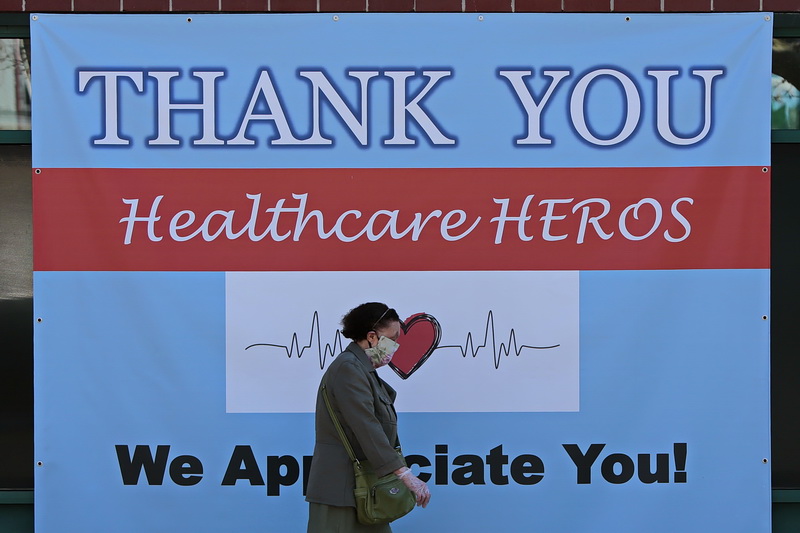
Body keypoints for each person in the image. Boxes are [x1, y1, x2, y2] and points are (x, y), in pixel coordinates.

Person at [306, 302, 430, 532]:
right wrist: (403, 473)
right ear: (372, 337)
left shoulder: (361, 369)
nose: (396, 345)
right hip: (342, 491)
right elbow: (366, 425)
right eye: (393, 338)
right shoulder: (349, 368)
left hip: (365, 488)